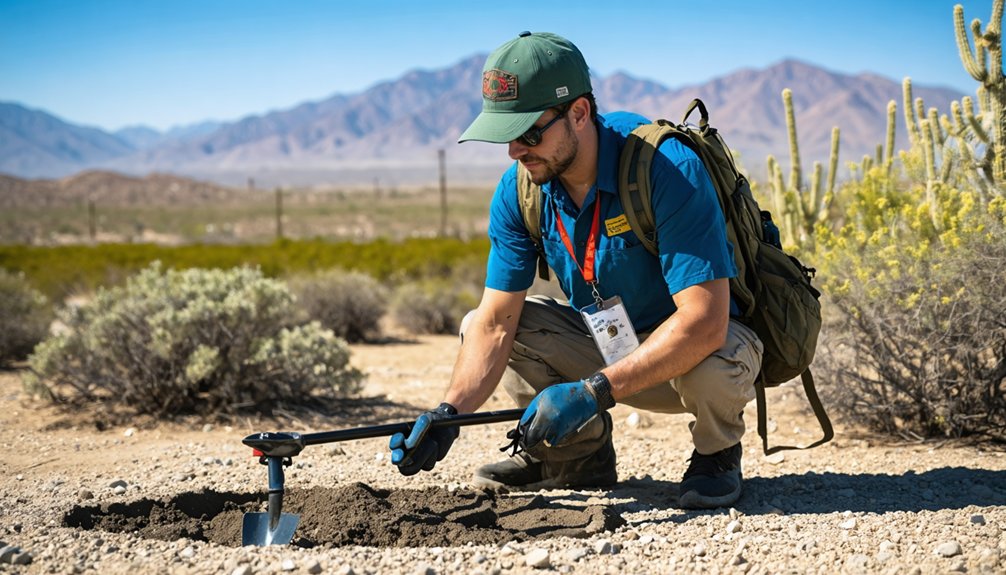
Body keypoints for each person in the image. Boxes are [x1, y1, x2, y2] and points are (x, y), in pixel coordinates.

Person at [389, 31, 763, 509]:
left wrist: (593, 391)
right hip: (610, 352)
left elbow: (705, 321)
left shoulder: (665, 168)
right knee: (486, 324)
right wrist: (449, 413)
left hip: (690, 356)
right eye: (506, 137)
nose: (515, 152)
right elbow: (496, 322)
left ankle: (717, 455)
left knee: (716, 353)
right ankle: (576, 456)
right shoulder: (521, 189)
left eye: (528, 133)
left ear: (580, 113)